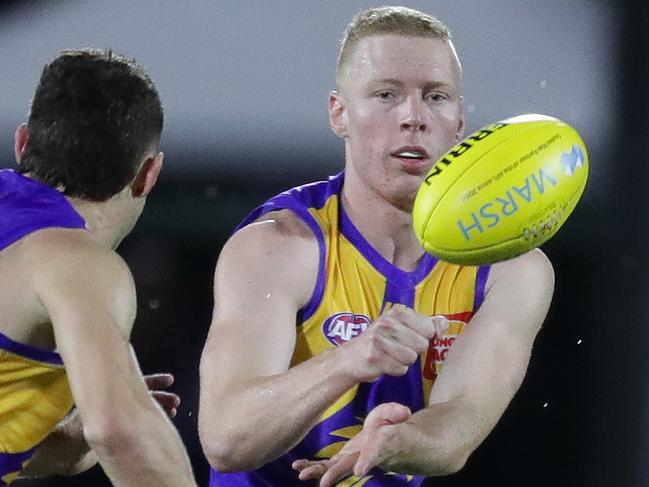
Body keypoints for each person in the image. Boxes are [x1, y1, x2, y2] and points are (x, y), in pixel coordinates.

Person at [199, 6, 553, 486]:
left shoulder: (512, 269)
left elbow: (461, 421)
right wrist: (347, 361)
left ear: (460, 120)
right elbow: (225, 440)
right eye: (387, 95)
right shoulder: (278, 247)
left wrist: (395, 443)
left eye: (436, 96)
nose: (414, 117)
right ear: (339, 114)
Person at [0, 49, 196, 486]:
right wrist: (123, 418)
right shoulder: (80, 267)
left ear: (23, 143)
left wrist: (67, 441)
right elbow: (117, 432)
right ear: (149, 174)